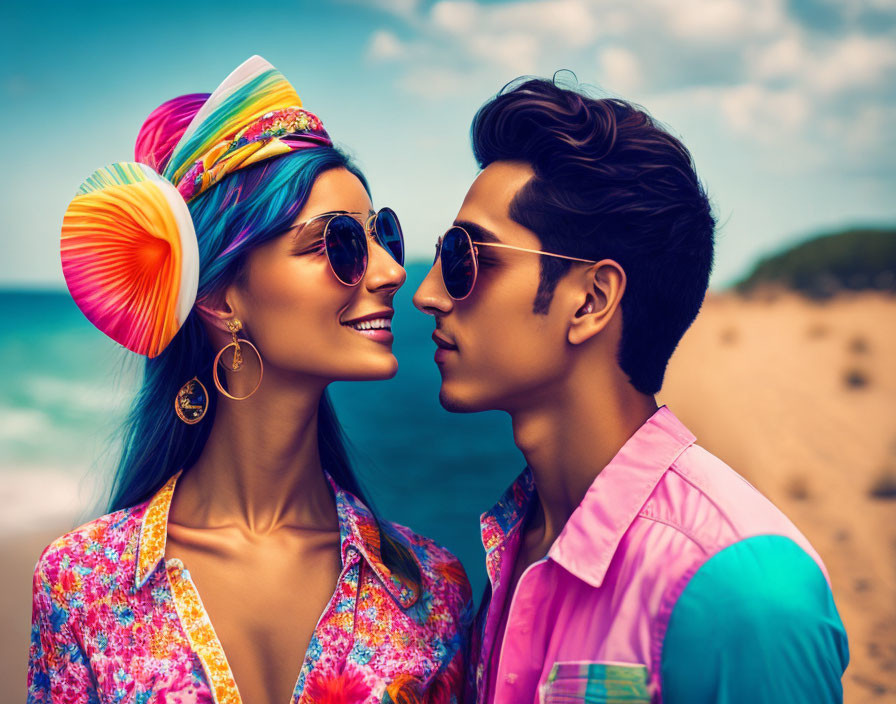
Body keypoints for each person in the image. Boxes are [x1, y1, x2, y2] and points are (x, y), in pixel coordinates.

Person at [28, 55, 472, 704]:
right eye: (340, 243)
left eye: (384, 234)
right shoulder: (82, 586)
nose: (390, 271)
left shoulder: (430, 594)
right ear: (221, 296)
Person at [412, 76, 849, 704]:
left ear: (590, 300)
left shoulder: (744, 594)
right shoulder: (515, 546)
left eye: (467, 256)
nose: (428, 294)